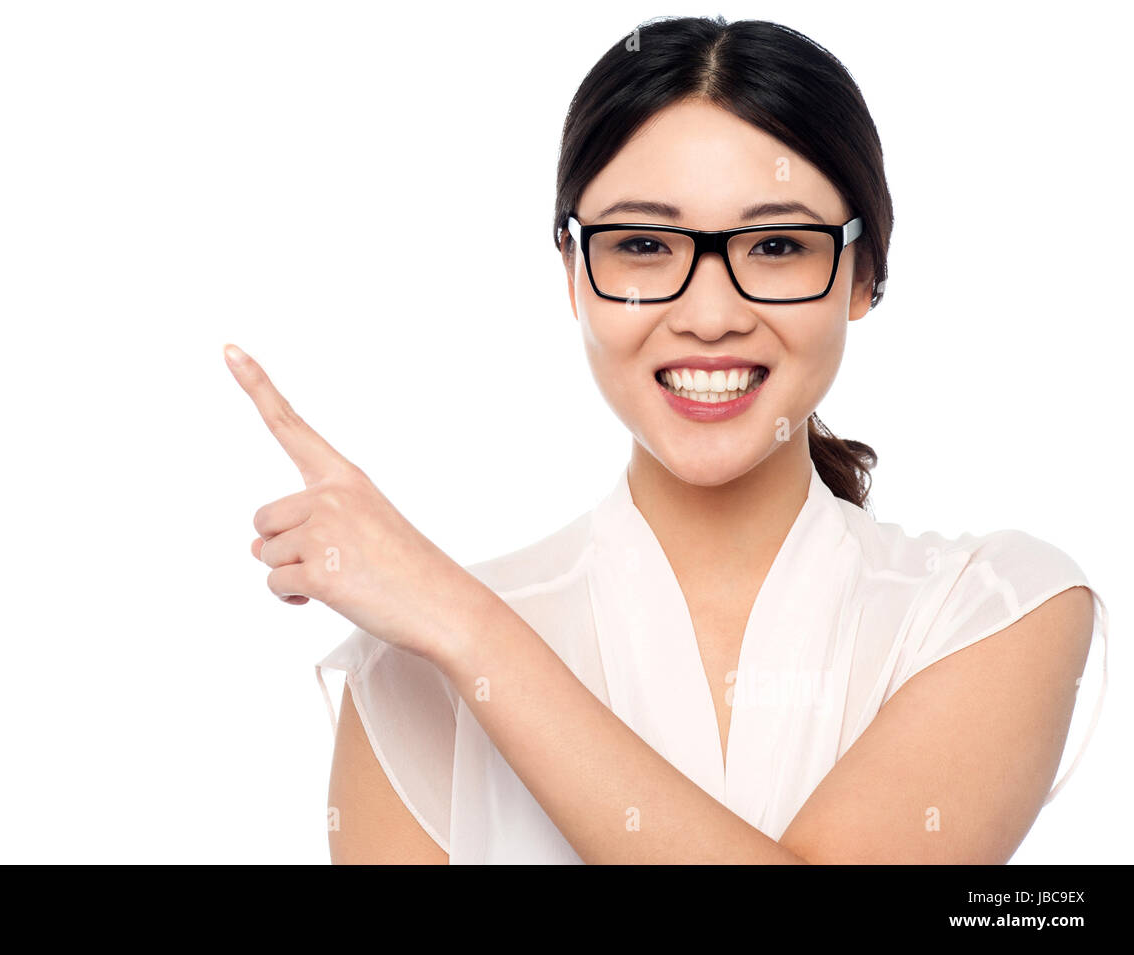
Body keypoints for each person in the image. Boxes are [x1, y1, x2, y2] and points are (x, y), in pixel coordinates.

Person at [227, 15, 1108, 864]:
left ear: (862, 276)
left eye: (775, 245)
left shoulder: (998, 607)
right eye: (645, 243)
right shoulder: (409, 675)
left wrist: (466, 624)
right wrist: (439, 636)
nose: (711, 315)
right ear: (574, 274)